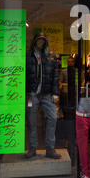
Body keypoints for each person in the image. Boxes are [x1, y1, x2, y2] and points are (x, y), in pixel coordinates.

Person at [25, 32, 61, 160]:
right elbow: (23, 76)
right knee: (32, 121)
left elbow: (55, 77)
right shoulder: (28, 56)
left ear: (45, 42)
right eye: (38, 39)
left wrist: (55, 93)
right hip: (32, 94)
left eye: (43, 40)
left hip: (46, 94)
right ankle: (32, 148)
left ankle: (50, 148)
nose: (40, 42)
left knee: (53, 117)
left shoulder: (50, 57)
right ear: (35, 40)